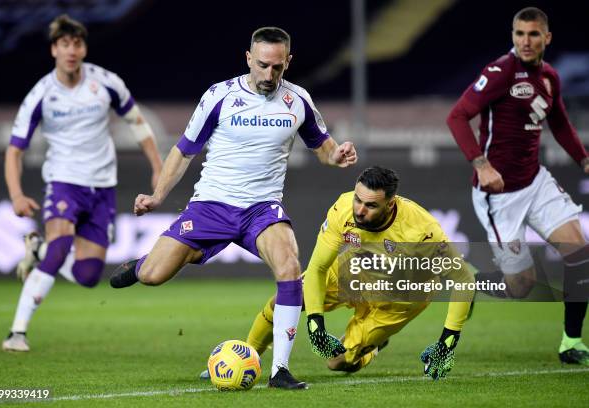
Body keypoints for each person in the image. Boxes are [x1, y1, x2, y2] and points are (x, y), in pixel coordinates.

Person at [109, 27, 357, 389]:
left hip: (262, 209)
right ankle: (144, 265)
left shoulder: (298, 100)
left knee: (290, 267)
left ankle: (280, 371)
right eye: (262, 65)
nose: (269, 75)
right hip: (211, 205)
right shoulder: (220, 96)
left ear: (288, 62)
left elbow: (323, 146)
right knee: (153, 276)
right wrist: (158, 196)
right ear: (248, 59)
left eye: (277, 67)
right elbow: (184, 150)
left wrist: (337, 155)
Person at [200, 166, 474, 380]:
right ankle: (244, 357)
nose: (359, 210)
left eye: (370, 205)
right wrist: (315, 323)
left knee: (338, 363)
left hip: (399, 296)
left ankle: (373, 346)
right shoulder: (343, 208)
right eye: (358, 199)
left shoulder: (422, 232)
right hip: (355, 270)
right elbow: (318, 268)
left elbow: (463, 280)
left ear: (390, 205)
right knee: (285, 300)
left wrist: (447, 342)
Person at [2, 14, 163, 352]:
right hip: (63, 182)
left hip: (102, 187)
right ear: (54, 50)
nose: (71, 50)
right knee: (60, 249)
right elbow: (15, 150)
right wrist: (16, 195)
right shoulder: (42, 94)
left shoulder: (106, 83)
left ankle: (39, 249)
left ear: (84, 48)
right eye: (64, 44)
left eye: (77, 44)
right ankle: (17, 332)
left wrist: (157, 166)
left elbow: (138, 124)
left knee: (88, 275)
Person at [447, 7, 589, 365]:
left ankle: (571, 343)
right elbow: (457, 116)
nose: (526, 41)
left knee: (580, 255)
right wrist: (481, 164)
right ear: (512, 35)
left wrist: (584, 159)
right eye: (519, 34)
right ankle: (473, 283)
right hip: (499, 196)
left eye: (533, 34)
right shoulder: (500, 72)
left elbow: (560, 125)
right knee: (520, 285)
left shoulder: (550, 78)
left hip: (535, 182)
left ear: (547, 38)